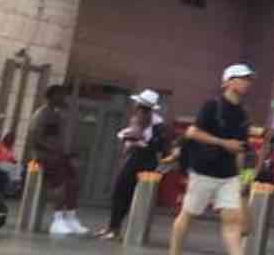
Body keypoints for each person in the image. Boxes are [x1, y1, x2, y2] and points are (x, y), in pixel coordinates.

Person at [170, 63, 254, 255]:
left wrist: (241, 179)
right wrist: (223, 143)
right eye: (243, 78)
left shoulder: (243, 113)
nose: (247, 83)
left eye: (249, 79)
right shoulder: (212, 105)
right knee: (188, 215)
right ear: (228, 82)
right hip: (203, 171)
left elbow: (240, 149)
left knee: (232, 222)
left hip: (229, 175)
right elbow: (192, 132)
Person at [96, 89, 169, 240]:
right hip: (134, 157)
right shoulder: (138, 118)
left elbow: (162, 147)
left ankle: (129, 230)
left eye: (138, 105)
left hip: (147, 161)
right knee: (120, 191)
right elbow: (129, 135)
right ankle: (113, 227)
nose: (135, 107)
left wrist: (143, 143)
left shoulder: (158, 125)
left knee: (137, 196)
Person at [28, 84, 90, 235]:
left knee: (74, 181)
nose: (64, 97)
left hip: (57, 155)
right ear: (52, 96)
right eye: (61, 94)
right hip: (45, 155)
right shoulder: (42, 114)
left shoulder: (57, 114)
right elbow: (35, 138)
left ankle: (71, 217)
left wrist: (67, 153)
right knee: (60, 182)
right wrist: (54, 150)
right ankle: (57, 220)